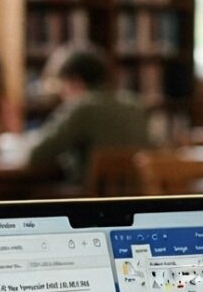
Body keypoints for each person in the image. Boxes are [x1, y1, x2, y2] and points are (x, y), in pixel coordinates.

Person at [22, 43, 149, 186]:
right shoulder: (135, 104)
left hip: (89, 199)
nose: (62, 94)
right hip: (134, 197)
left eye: (62, 85)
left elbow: (37, 154)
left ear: (75, 82)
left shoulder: (81, 106)